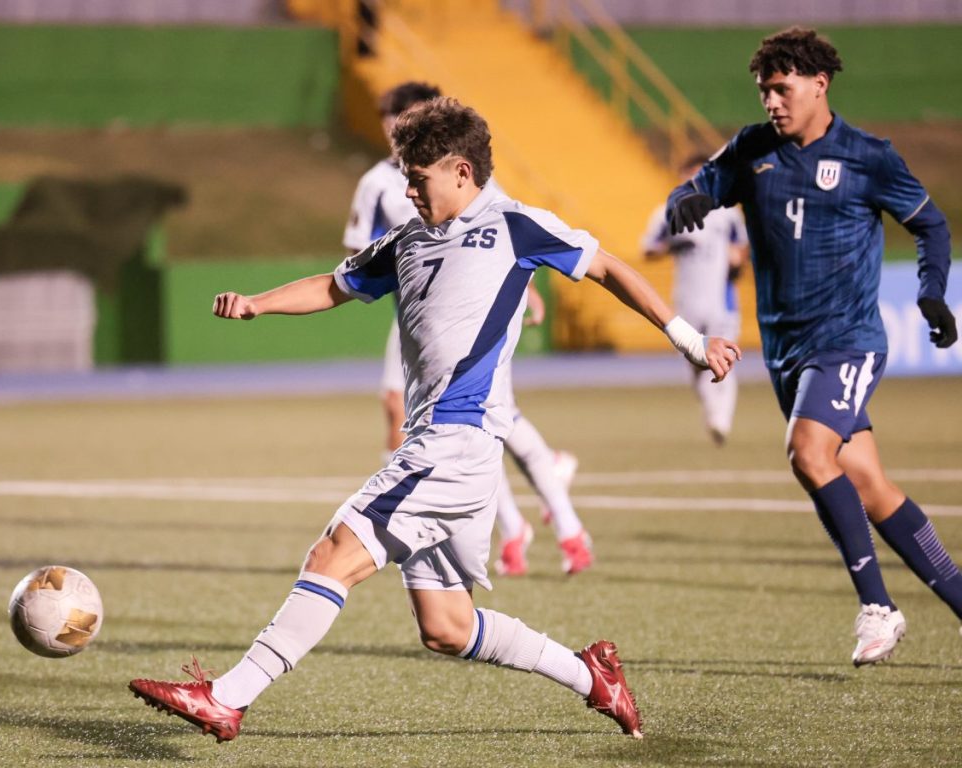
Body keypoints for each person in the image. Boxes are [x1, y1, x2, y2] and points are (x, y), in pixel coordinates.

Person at [129, 96, 741, 743]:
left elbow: (610, 267)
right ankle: (594, 678)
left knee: (334, 551)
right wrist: (257, 304)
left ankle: (227, 698)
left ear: (459, 171)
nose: (409, 191)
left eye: (417, 179)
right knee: (447, 627)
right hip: (443, 446)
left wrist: (688, 340)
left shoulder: (515, 226)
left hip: (458, 442)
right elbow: (333, 286)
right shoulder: (406, 240)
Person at [667, 27, 961, 667]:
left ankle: (878, 608)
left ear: (819, 85)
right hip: (786, 351)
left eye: (783, 88)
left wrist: (933, 294)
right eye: (765, 90)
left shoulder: (867, 156)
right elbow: (697, 183)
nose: (772, 101)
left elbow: (931, 226)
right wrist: (688, 196)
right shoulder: (753, 150)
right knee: (869, 483)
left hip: (848, 340)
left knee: (806, 451)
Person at [344, 81, 591, 576]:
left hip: (472, 317)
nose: (403, 130)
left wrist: (529, 289)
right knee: (421, 414)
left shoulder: (457, 169)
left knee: (486, 412)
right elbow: (358, 247)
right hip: (415, 319)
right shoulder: (379, 182)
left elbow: (507, 231)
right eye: (397, 121)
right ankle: (511, 521)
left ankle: (564, 524)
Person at [642, 154, 749, 445]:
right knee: (694, 360)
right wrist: (672, 245)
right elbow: (647, 249)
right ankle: (712, 411)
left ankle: (720, 418)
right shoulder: (667, 211)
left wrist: (737, 259)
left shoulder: (727, 213)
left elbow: (742, 247)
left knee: (725, 357)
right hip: (687, 297)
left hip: (721, 298)